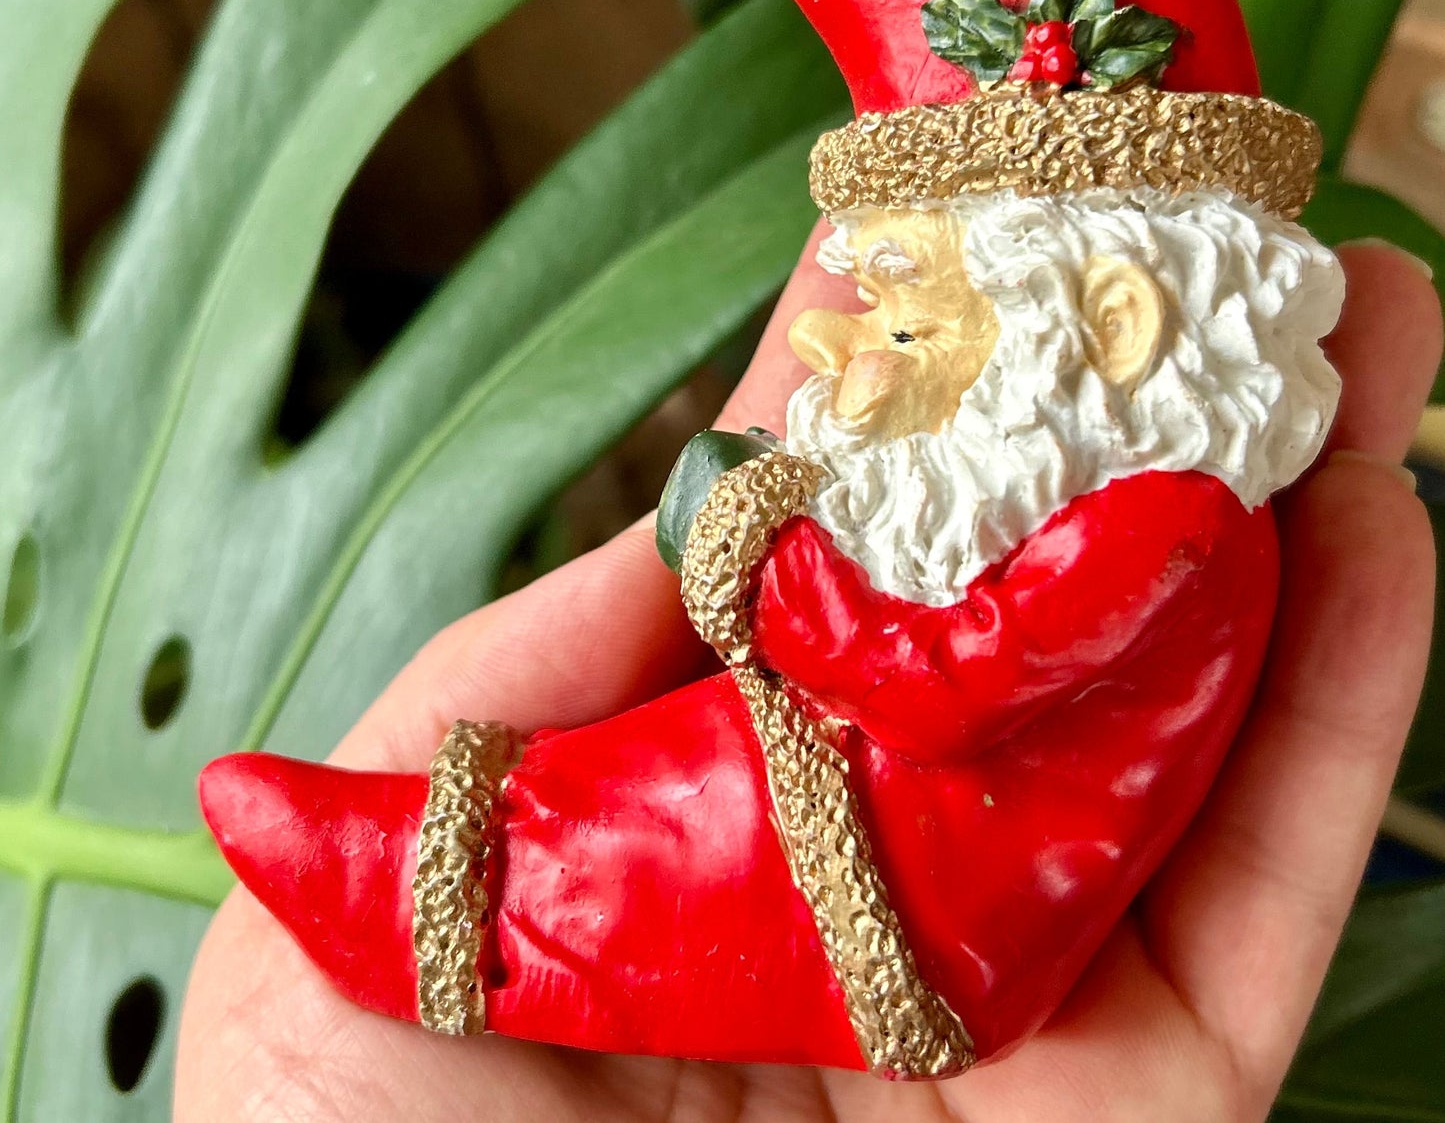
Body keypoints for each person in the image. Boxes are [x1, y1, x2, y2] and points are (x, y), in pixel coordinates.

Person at [177, 231, 1440, 1121]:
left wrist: (766, 546)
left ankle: (434, 891)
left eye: (912, 323)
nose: (846, 343)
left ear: (1110, 326)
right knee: (644, 788)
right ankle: (451, 866)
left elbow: (940, 686)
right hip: (908, 821)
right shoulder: (1120, 500)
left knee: (640, 844)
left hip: (920, 895)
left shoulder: (1168, 522)